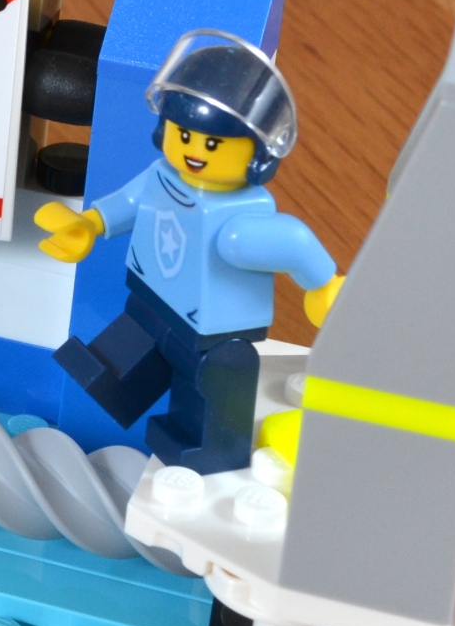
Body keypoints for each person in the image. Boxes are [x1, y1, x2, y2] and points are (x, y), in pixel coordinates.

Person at [39, 29, 347, 473]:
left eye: (213, 144)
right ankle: (117, 384)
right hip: (150, 301)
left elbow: (292, 240)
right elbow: (129, 202)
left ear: (258, 153)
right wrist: (90, 224)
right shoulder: (162, 177)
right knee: (119, 361)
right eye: (183, 134)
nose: (194, 151)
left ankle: (204, 443)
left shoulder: (240, 221)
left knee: (208, 384)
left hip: (213, 336)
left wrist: (324, 284)